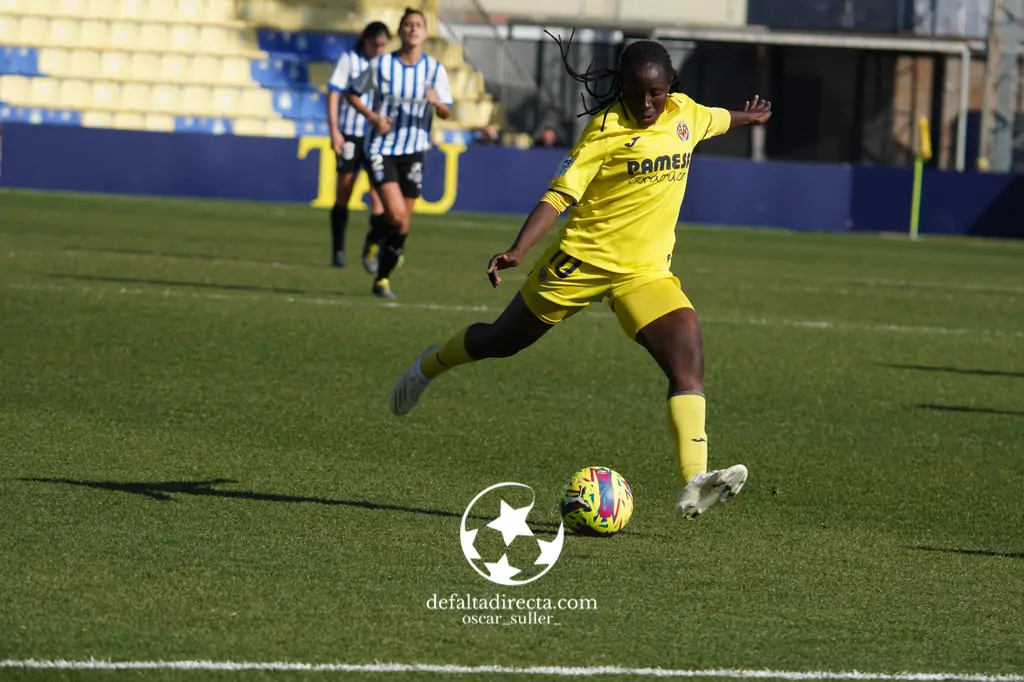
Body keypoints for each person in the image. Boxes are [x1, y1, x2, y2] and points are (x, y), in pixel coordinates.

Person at [387, 34, 772, 520]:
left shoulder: (686, 113)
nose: (647, 103)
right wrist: (517, 250)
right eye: (636, 92)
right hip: (579, 263)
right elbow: (558, 196)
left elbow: (717, 118)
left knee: (687, 355)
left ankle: (694, 479)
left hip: (643, 273)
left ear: (670, 86)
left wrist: (749, 117)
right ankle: (430, 366)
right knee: (500, 341)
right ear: (622, 88)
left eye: (656, 92)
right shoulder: (604, 131)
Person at [345, 7, 453, 299]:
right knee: (394, 213)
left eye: (418, 25)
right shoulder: (382, 66)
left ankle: (381, 278)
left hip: (415, 150)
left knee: (402, 222)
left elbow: (446, 111)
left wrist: (436, 104)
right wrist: (373, 118)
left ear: (425, 32)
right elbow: (352, 93)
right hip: (382, 148)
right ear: (401, 31)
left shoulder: (434, 70)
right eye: (408, 25)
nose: (413, 29)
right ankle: (374, 241)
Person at [326, 21, 391, 272]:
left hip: (376, 139)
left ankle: (371, 248)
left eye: (383, 45)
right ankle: (339, 249)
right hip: (350, 134)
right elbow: (334, 93)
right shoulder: (349, 60)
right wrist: (334, 131)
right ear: (365, 40)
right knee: (344, 192)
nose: (378, 49)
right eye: (375, 44)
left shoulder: (386, 64)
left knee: (378, 196)